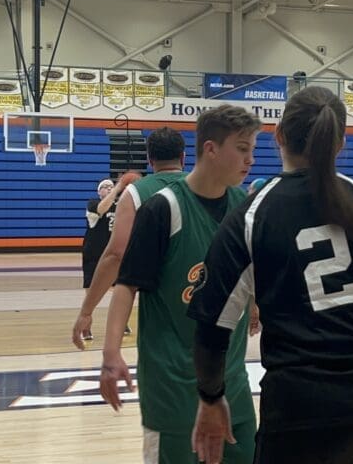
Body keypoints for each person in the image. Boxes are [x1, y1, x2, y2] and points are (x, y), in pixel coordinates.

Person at [187, 86, 353, 464]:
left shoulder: (251, 217)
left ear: (279, 135)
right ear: (340, 142)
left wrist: (211, 398)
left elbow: (212, 326)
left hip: (301, 411)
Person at [100, 105, 262, 464]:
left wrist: (254, 304)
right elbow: (127, 285)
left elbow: (251, 273)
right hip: (172, 385)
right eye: (242, 148)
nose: (250, 159)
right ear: (210, 149)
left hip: (229, 380)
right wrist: (112, 354)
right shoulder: (163, 208)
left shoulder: (245, 209)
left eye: (252, 149)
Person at [73, 127, 187, 349]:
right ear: (184, 156)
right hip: (199, 292)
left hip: (156, 295)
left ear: (149, 158)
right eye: (103, 187)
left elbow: (116, 254)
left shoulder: (135, 193)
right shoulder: (205, 188)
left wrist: (86, 311)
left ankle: (115, 325)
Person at [79, 177, 124, 341]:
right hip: (93, 255)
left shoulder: (120, 206)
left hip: (112, 255)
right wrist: (116, 190)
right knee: (90, 294)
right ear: (99, 192)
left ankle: (121, 323)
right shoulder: (92, 204)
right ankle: (86, 328)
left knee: (120, 290)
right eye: (105, 187)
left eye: (111, 186)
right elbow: (101, 210)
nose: (109, 189)